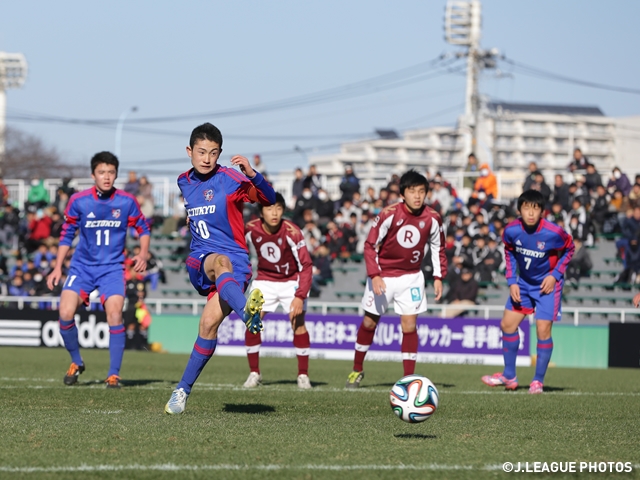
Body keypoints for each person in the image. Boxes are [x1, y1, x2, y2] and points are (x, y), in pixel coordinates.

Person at [164, 123, 275, 415]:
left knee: (208, 325)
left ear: (220, 154)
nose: (206, 158)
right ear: (189, 152)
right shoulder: (183, 182)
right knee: (219, 261)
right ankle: (248, 313)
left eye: (213, 153)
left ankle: (181, 392)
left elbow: (269, 199)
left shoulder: (230, 178)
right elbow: (198, 210)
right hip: (203, 259)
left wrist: (252, 174)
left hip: (236, 262)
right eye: (201, 152)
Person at [46, 151, 150, 388]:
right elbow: (66, 234)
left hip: (112, 269)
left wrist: (143, 253)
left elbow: (143, 228)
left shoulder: (126, 201)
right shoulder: (80, 201)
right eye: (102, 172)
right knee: (64, 313)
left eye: (111, 172)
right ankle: (76, 362)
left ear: (116, 175)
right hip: (81, 268)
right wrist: (57, 267)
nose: (106, 177)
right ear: (93, 175)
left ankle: (113, 374)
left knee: (114, 314)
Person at [345, 170, 447, 388]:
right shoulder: (388, 214)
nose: (417, 196)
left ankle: (408, 379)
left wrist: (439, 277)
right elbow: (370, 245)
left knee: (409, 325)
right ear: (403, 193)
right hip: (383, 276)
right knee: (369, 322)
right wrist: (374, 275)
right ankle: (356, 370)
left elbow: (439, 247)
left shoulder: (433, 218)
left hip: (411, 277)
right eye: (412, 191)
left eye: (421, 191)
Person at [481, 190, 574, 394]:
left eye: (535, 209)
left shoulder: (553, 232)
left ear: (542, 211)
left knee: (542, 330)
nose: (530, 213)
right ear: (519, 210)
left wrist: (555, 275)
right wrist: (512, 281)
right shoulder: (512, 231)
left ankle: (537, 381)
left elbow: (570, 248)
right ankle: (509, 376)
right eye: (526, 208)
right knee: (507, 324)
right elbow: (509, 251)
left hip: (547, 285)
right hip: (522, 283)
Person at [243, 193, 313, 389]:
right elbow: (233, 246)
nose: (274, 213)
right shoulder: (249, 229)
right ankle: (254, 373)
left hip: (290, 281)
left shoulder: (293, 232)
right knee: (252, 322)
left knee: (297, 323)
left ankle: (303, 375)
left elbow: (306, 265)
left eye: (278, 208)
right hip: (264, 280)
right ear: (261, 212)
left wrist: (300, 296)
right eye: (269, 208)